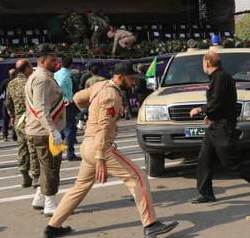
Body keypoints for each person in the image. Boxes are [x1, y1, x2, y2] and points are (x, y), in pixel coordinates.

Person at [44, 62, 179, 238]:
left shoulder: (100, 85)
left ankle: (53, 227)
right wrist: (100, 157)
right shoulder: (111, 96)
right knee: (138, 178)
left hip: (87, 145)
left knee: (80, 187)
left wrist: (91, 110)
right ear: (120, 77)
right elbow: (104, 127)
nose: (134, 83)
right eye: (131, 79)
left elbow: (77, 98)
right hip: (100, 146)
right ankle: (150, 224)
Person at [189, 50, 250, 204]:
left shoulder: (222, 77)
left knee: (230, 162)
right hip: (215, 125)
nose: (202, 65)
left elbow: (218, 100)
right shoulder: (217, 77)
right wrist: (210, 115)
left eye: (202, 62)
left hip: (223, 127)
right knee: (204, 160)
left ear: (207, 63)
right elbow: (221, 103)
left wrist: (201, 109)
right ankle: (206, 193)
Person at [25, 44, 67, 216]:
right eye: (52, 59)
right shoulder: (42, 79)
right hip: (44, 133)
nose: (56, 62)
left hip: (39, 130)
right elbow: (41, 109)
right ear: (42, 60)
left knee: (45, 167)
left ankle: (39, 198)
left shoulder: (41, 76)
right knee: (51, 168)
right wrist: (53, 131)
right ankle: (50, 204)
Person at [6, 59, 39, 188]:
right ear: (26, 68)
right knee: (33, 148)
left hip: (19, 120)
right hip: (32, 118)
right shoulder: (32, 81)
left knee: (22, 147)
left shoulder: (11, 83)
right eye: (30, 66)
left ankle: (25, 175)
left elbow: (8, 103)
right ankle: (36, 176)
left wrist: (12, 115)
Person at [54, 56, 80, 161]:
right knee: (70, 129)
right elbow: (59, 87)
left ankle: (57, 153)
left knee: (60, 129)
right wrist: (65, 96)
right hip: (66, 104)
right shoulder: (66, 75)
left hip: (57, 105)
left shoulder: (56, 74)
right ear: (71, 65)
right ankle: (70, 154)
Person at [0, 68, 17, 142]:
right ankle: (14, 135)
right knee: (15, 119)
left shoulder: (5, 81)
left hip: (7, 102)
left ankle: (5, 136)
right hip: (14, 102)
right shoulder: (17, 81)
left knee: (6, 119)